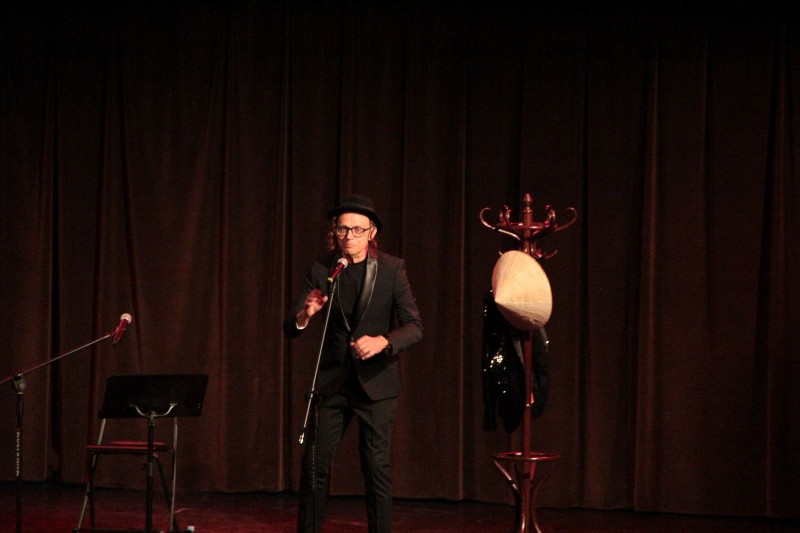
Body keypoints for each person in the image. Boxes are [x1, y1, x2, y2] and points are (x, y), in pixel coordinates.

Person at [284, 194, 423, 533]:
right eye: (343, 229)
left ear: (371, 232)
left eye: (357, 230)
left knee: (376, 469)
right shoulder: (323, 270)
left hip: (377, 383)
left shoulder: (391, 269)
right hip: (333, 382)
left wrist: (383, 341)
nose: (349, 236)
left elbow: (414, 327)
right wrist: (306, 314)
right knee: (314, 466)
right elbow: (291, 325)